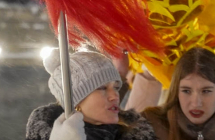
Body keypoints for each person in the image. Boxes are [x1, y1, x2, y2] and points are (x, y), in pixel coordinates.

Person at [26, 51, 156, 140]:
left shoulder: (137, 131)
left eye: (116, 87)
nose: (115, 96)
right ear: (75, 102)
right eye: (102, 88)